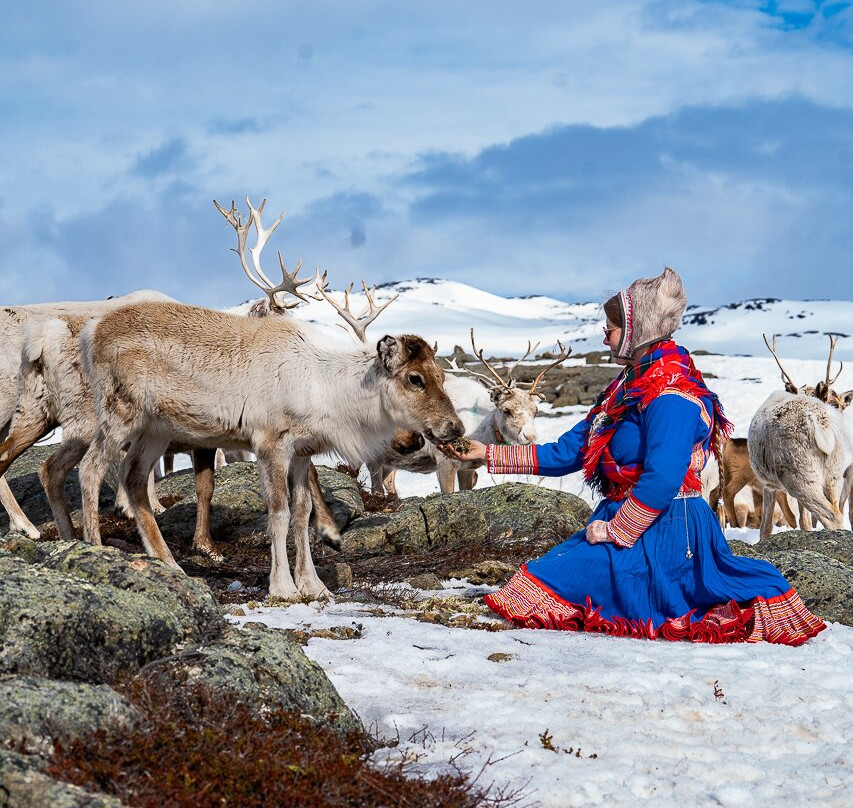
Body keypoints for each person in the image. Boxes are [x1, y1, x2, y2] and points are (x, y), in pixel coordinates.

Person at [441, 268, 825, 645]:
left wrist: (615, 531)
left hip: (667, 529)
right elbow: (572, 450)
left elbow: (663, 477)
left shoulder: (671, 392)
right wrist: (487, 453)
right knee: (537, 581)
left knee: (545, 586)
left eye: (611, 327)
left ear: (637, 329)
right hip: (629, 520)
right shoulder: (627, 387)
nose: (604, 335)